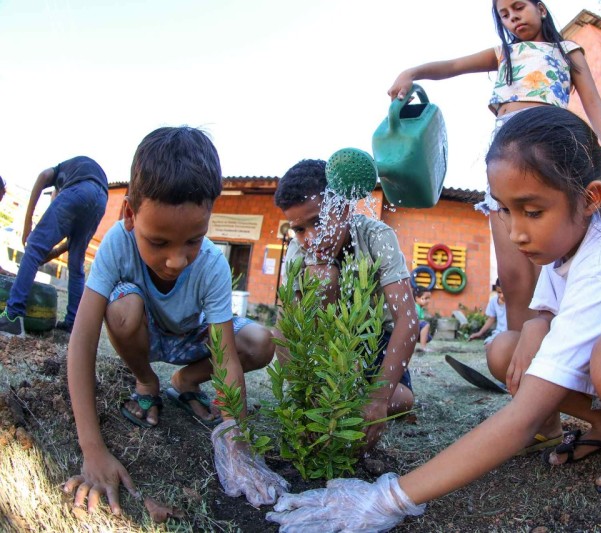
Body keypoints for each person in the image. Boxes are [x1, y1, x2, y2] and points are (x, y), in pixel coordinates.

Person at [267, 107, 601, 531]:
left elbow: (524, 415)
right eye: (505, 211)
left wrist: (389, 498)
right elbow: (544, 312)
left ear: (590, 198)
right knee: (505, 348)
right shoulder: (562, 241)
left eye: (531, 212)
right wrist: (533, 326)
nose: (516, 233)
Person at [63, 127, 287, 516]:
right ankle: (146, 380)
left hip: (190, 337)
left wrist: (237, 442)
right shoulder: (117, 243)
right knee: (124, 306)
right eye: (159, 242)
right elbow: (81, 342)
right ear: (130, 214)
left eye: (193, 240)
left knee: (259, 342)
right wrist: (93, 449)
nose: (177, 260)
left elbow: (227, 357)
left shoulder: (213, 264)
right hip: (142, 332)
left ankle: (185, 381)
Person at [388, 0, 601, 339]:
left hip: (550, 148)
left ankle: (561, 351)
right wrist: (412, 72)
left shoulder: (568, 50)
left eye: (518, 7)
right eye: (504, 15)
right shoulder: (503, 54)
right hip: (506, 151)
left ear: (541, 9)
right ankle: (517, 351)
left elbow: (594, 103)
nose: (513, 17)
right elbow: (453, 64)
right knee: (513, 274)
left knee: (552, 267)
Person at [274, 159, 417, 449]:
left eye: (317, 221)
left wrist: (377, 401)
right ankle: (333, 395)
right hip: (324, 346)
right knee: (323, 276)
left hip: (375, 340)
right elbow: (284, 328)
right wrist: (305, 395)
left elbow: (408, 321)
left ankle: (351, 399)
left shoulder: (376, 236)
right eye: (299, 229)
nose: (311, 238)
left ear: (344, 208)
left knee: (402, 401)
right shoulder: (297, 252)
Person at [0, 156, 108, 336]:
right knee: (76, 264)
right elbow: (70, 242)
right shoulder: (78, 174)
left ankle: (12, 316)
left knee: (34, 246)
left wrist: (28, 225)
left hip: (82, 187)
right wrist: (52, 252)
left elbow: (42, 176)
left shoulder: (59, 173)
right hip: (102, 199)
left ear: (57, 192)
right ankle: (71, 326)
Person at [468, 278, 508, 346]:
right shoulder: (493, 301)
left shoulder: (513, 302)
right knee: (488, 345)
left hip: (510, 334)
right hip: (498, 333)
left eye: (504, 292)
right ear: (496, 289)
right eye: (499, 292)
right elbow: (491, 319)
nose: (502, 295)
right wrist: (479, 333)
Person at [413, 287, 433, 353]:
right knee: (425, 325)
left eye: (429, 298)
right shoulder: (415, 307)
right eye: (426, 298)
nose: (428, 301)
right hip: (412, 327)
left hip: (415, 328)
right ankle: (423, 348)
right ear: (416, 298)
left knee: (428, 337)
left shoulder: (420, 308)